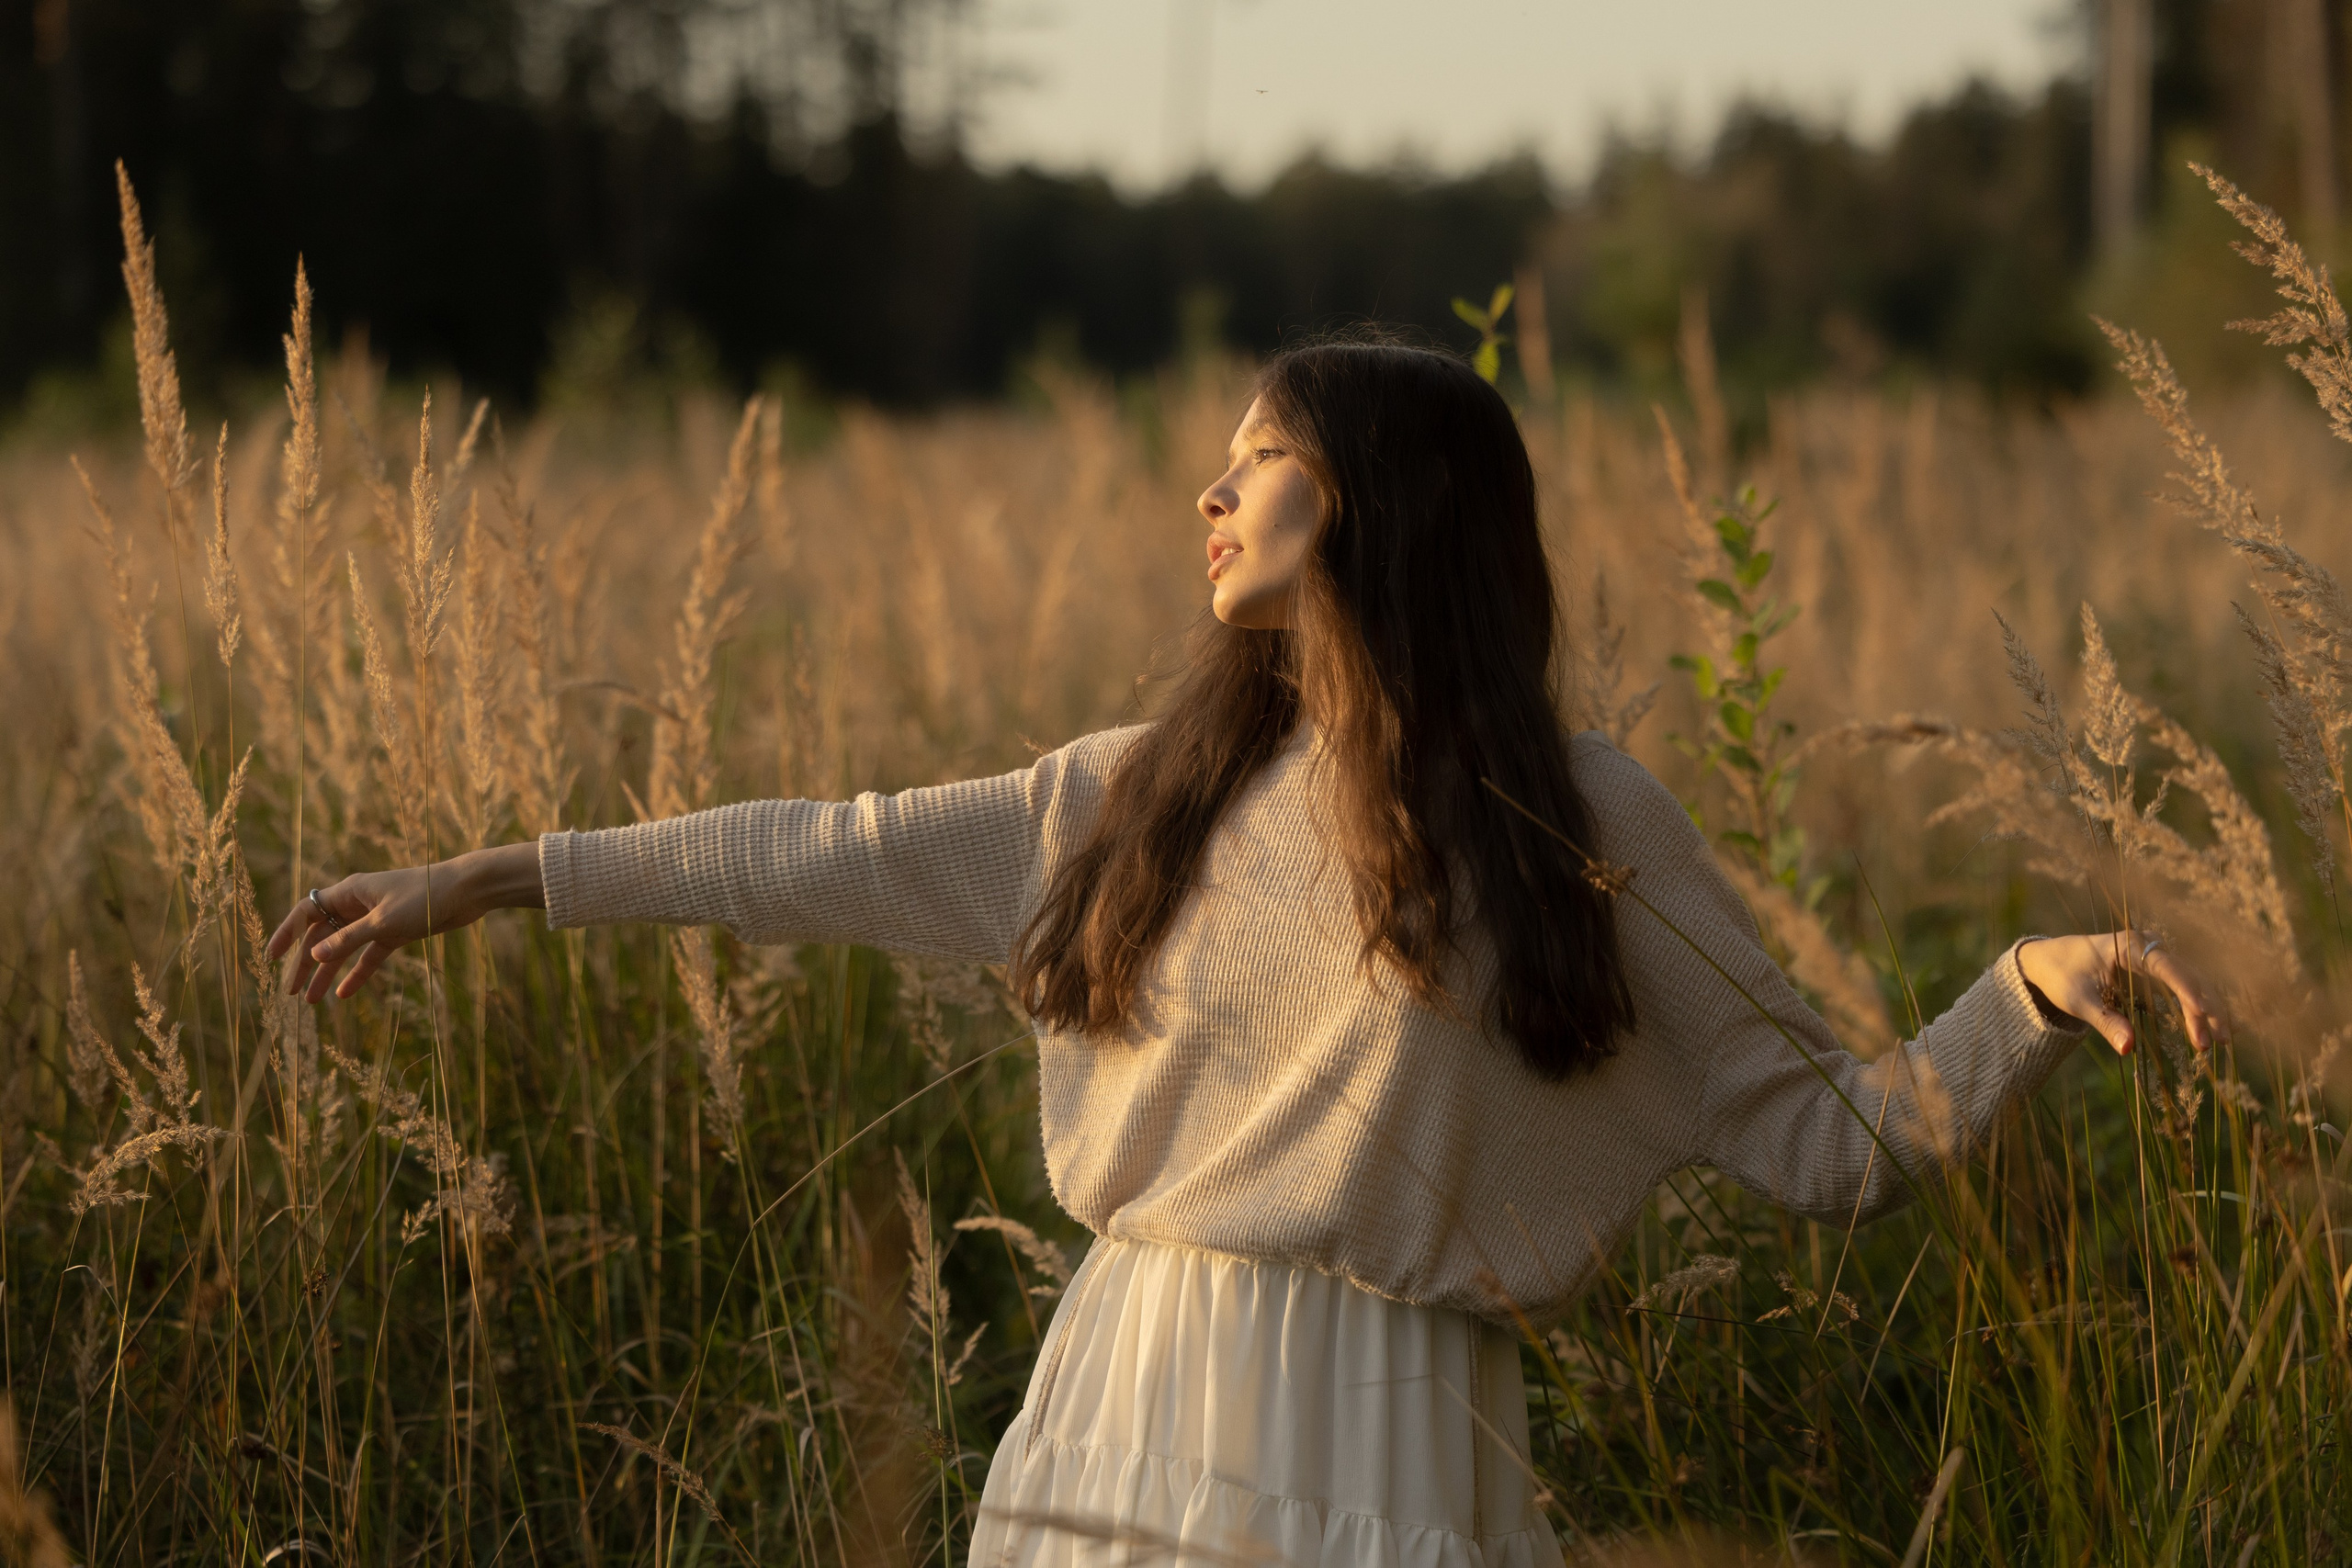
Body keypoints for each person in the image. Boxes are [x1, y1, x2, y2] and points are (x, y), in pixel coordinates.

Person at [270, 341, 2225, 1567]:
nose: (1205, 492)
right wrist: (488, 874)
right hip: (1127, 1388)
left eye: (1254, 455)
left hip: (1393, 1421)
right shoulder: (1147, 788)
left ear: (1378, 500)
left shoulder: (1574, 818)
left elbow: (1824, 1144)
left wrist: (2022, 992)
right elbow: (823, 851)